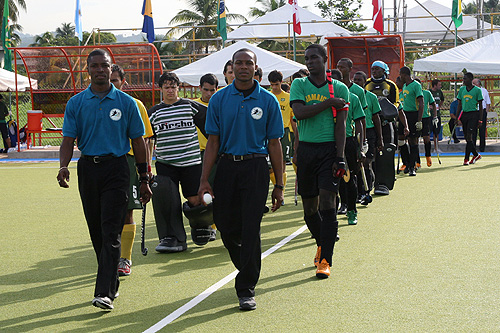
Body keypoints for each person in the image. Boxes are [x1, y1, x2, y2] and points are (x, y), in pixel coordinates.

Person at [57, 49, 152, 310]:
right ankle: (112, 281)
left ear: (112, 69)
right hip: (88, 169)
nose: (100, 70)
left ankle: (104, 293)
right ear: (88, 70)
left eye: (105, 66)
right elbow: (67, 140)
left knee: (111, 229)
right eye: (95, 66)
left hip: (117, 169)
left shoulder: (126, 103)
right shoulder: (76, 103)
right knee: (97, 231)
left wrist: (144, 177)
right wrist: (64, 166)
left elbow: (138, 142)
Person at [198, 48, 284, 311]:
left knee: (251, 228)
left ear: (255, 68)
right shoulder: (220, 99)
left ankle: (246, 287)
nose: (243, 67)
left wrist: (279, 184)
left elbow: (275, 144)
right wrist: (204, 180)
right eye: (239, 63)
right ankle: (247, 265)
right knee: (225, 224)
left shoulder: (268, 101)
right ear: (232, 67)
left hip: (256, 168)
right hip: (226, 167)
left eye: (249, 63)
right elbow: (212, 142)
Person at [290, 44, 349, 279]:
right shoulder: (299, 84)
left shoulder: (340, 88)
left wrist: (340, 157)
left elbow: (341, 126)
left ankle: (325, 261)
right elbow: (300, 113)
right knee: (309, 209)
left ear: (325, 59)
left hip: (328, 151)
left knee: (328, 202)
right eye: (306, 58)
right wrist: (327, 104)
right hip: (306, 151)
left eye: (314, 57)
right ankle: (321, 245)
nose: (309, 61)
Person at [148, 72, 208, 252]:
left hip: (191, 162)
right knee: (168, 201)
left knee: (195, 199)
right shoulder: (154, 112)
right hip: (166, 164)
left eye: (173, 87)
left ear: (178, 88)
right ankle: (173, 238)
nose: (170, 90)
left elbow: (209, 127)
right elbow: (146, 139)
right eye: (166, 87)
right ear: (161, 89)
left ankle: (201, 226)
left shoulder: (191, 106)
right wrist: (145, 166)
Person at [110, 64, 154, 277]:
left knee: (127, 212)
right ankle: (110, 255)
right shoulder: (91, 103)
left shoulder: (135, 105)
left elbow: (144, 141)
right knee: (106, 214)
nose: (111, 84)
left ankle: (124, 258)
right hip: (103, 164)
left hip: (128, 164)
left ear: (123, 82)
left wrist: (146, 167)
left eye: (115, 80)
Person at [330, 69, 364, 225]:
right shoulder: (324, 98)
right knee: (329, 182)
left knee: (349, 179)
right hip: (327, 142)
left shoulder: (353, 98)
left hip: (347, 142)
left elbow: (359, 123)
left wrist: (360, 146)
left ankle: (351, 210)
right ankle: (331, 216)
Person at [365, 60, 403, 194]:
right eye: (372, 69)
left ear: (384, 70)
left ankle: (384, 183)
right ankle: (372, 181)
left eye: (377, 69)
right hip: (371, 123)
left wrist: (388, 111)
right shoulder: (367, 84)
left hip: (387, 123)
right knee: (371, 152)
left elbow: (397, 103)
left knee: (386, 151)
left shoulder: (391, 85)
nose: (374, 71)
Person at [193, 73, 218, 241]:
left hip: (214, 154)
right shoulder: (192, 106)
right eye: (206, 90)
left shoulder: (218, 104)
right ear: (200, 88)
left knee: (214, 190)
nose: (208, 93)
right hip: (195, 155)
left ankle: (214, 226)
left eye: (212, 90)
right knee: (197, 193)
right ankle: (203, 225)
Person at [353, 71, 383, 204]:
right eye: (355, 80)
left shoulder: (371, 97)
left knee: (366, 162)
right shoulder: (351, 96)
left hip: (369, 132)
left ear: (365, 82)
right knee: (356, 164)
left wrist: (380, 138)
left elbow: (376, 118)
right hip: (355, 132)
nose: (357, 82)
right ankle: (358, 191)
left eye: (360, 80)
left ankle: (367, 190)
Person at [268, 70, 293, 201]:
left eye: (276, 84)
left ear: (281, 83)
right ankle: (276, 187)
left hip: (284, 132)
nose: (274, 87)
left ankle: (280, 191)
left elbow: (292, 118)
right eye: (272, 85)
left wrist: (297, 136)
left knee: (282, 163)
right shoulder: (267, 96)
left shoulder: (288, 98)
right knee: (269, 167)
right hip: (269, 133)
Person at [399, 66, 423, 176]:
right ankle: (407, 163)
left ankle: (412, 166)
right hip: (404, 115)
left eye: (401, 74)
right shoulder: (404, 86)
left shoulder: (416, 85)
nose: (400, 76)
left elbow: (421, 103)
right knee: (402, 140)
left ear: (404, 74)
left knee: (413, 141)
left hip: (414, 115)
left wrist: (419, 120)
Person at [457, 72, 484, 165]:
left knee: (469, 135)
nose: (463, 80)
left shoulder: (477, 90)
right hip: (465, 114)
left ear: (470, 79)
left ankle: (466, 159)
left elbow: (480, 105)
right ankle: (476, 155)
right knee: (467, 138)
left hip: (473, 114)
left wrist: (480, 119)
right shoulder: (462, 89)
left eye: (465, 79)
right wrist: (457, 118)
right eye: (463, 79)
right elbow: (459, 104)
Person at [414, 78, 437, 167]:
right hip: (415, 118)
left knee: (426, 138)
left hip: (425, 118)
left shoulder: (427, 93)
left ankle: (428, 156)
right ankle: (417, 161)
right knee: (415, 140)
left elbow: (433, 104)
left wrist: (434, 116)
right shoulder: (412, 93)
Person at [472, 78, 491, 152]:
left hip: (482, 111)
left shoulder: (484, 91)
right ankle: (473, 148)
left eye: (474, 83)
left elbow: (488, 102)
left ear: (478, 84)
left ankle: (482, 148)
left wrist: (485, 112)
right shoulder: (472, 90)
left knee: (482, 130)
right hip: (474, 111)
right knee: (473, 130)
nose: (473, 85)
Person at [429, 79, 445, 152]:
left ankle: (436, 148)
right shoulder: (429, 92)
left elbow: (442, 100)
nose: (440, 86)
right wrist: (429, 106)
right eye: (439, 85)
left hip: (437, 115)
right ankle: (428, 147)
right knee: (428, 131)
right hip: (430, 115)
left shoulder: (439, 92)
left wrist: (439, 107)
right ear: (434, 85)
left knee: (436, 132)